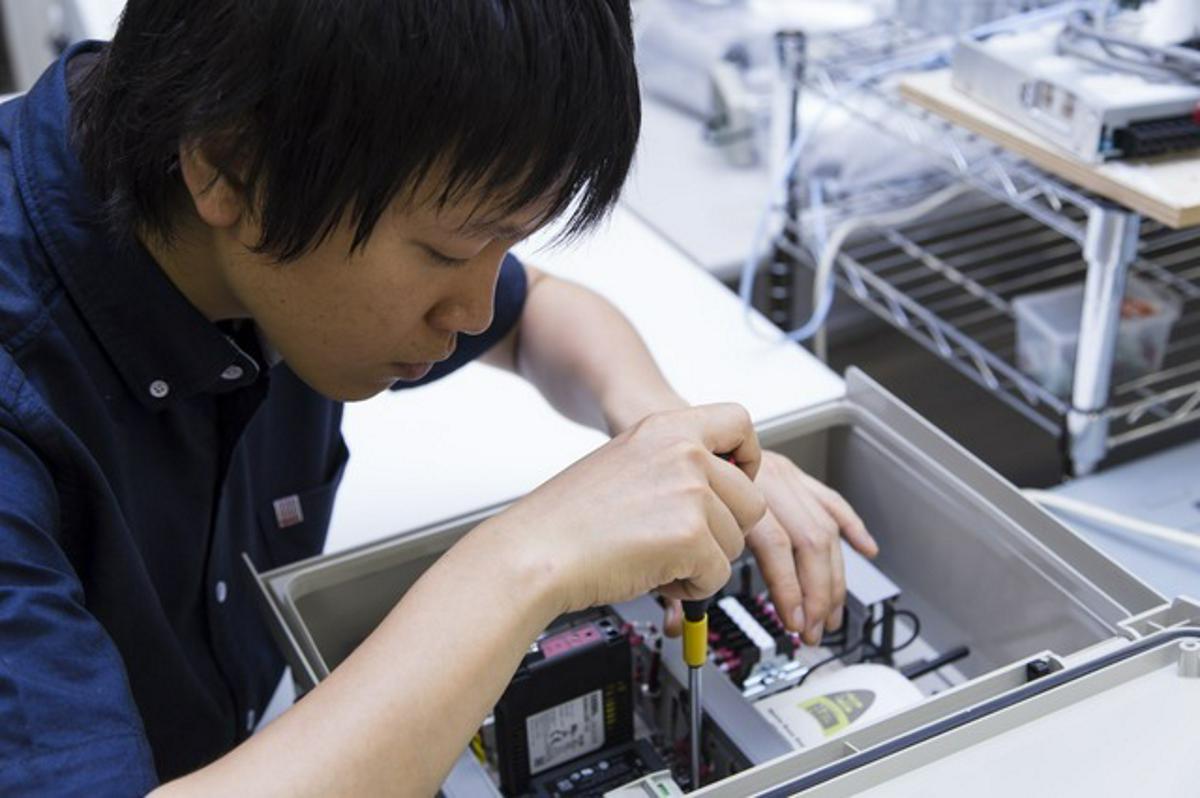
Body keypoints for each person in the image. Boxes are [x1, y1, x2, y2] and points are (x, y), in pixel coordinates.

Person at [0, 1, 877, 795]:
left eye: (506, 242)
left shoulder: (254, 183)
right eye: (449, 253)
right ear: (228, 169)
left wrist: (663, 435)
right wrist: (530, 557)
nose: (473, 311)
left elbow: (542, 317)